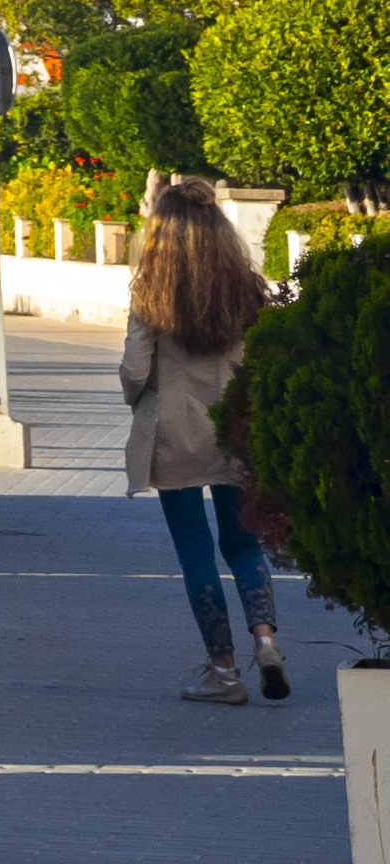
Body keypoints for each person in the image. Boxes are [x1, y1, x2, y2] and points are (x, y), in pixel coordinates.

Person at [122, 175, 286, 705]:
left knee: (195, 550)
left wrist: (138, 397)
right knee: (242, 543)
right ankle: (265, 640)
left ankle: (225, 671)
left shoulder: (151, 290)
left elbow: (133, 370)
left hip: (175, 436)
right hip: (233, 430)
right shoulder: (244, 287)